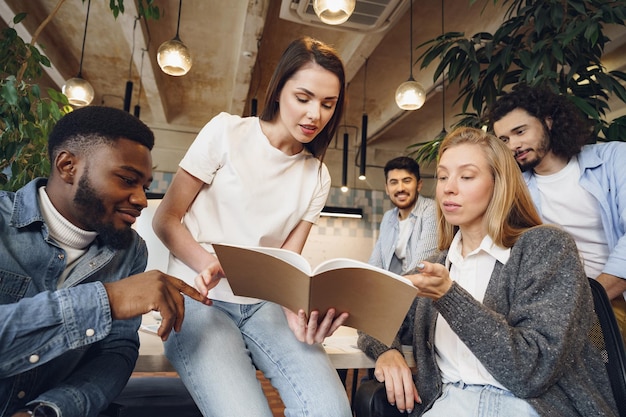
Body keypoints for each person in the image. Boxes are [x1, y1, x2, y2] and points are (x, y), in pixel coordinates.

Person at [152, 36, 352, 417]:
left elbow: (286, 263)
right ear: (279, 91)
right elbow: (166, 218)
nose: (315, 115)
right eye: (304, 98)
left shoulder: (317, 175)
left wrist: (301, 310)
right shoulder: (226, 132)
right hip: (197, 298)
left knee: (332, 412)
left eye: (328, 104)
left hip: (263, 304)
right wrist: (207, 263)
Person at [358, 127, 618, 416]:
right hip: (447, 404)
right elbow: (373, 314)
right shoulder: (438, 264)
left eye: (466, 176)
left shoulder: (545, 248)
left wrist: (449, 296)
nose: (448, 188)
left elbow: (530, 372)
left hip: (528, 406)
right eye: (443, 176)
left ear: (499, 183)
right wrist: (387, 352)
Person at [0, 106, 208, 417]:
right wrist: (106, 300)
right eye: (127, 180)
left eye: (144, 186)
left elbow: (117, 352)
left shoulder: (131, 251)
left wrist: (48, 411)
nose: (141, 199)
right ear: (67, 165)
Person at [489, 84, 626, 343]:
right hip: (563, 307)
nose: (513, 145)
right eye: (504, 140)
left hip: (612, 295)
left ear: (548, 121)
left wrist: (591, 297)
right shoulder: (517, 191)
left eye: (520, 131)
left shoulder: (613, 158)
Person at [369, 156, 437, 275]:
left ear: (419, 185)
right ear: (387, 188)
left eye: (406, 181)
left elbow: (421, 266)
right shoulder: (388, 217)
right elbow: (376, 263)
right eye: (394, 182)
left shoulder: (431, 210)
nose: (400, 188)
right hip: (396, 288)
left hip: (422, 290)